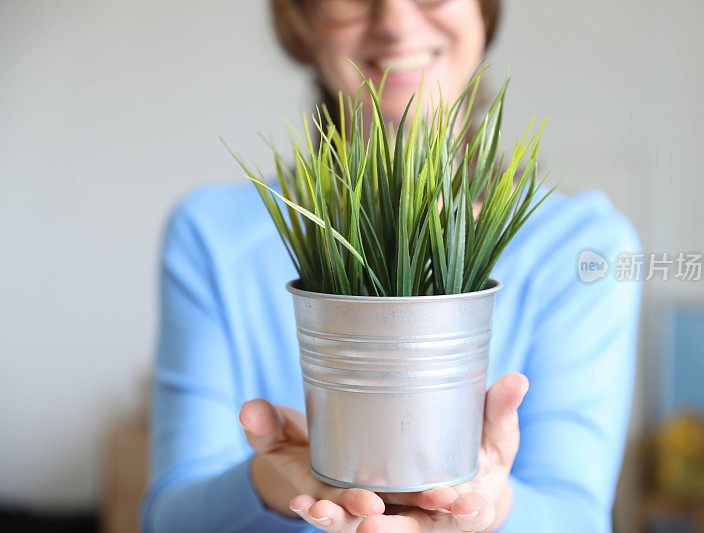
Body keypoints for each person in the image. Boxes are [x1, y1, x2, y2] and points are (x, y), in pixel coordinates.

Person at [141, 1, 642, 531]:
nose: (397, 21)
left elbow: (579, 516)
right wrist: (272, 482)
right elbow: (169, 518)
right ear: (302, 19)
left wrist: (494, 507)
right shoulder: (212, 235)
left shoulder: (586, 247)